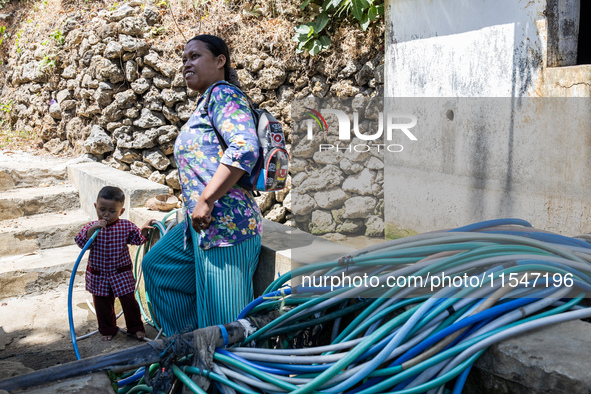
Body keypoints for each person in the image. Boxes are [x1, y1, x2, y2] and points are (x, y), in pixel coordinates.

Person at [141, 34, 262, 335]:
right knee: (159, 267)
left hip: (227, 228)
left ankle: (225, 377)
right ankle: (187, 349)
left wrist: (206, 200)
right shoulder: (206, 102)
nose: (186, 64)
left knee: (224, 325)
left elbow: (245, 147)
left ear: (220, 61)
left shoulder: (224, 94)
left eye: (194, 56)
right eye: (184, 59)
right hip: (200, 227)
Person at [75, 186, 155, 341]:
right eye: (102, 209)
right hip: (99, 275)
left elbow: (137, 239)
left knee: (129, 302)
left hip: (121, 273)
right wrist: (94, 229)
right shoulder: (90, 227)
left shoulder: (125, 226)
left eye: (112, 211)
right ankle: (107, 329)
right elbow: (82, 242)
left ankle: (136, 328)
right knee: (102, 304)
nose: (106, 214)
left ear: (121, 211)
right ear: (95, 207)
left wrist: (143, 230)